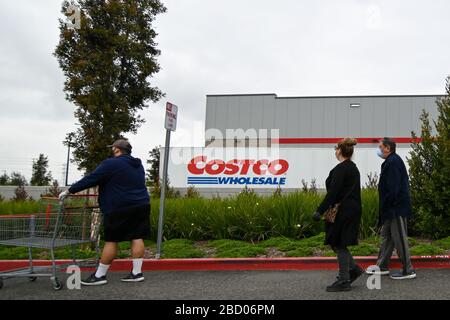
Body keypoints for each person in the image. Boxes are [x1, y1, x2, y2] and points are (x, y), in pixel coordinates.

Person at [59, 139, 151, 286]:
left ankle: (100, 275)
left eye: (113, 148)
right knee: (137, 237)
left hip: (119, 207)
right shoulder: (138, 165)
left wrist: (70, 191)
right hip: (142, 205)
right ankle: (136, 273)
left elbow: (91, 179)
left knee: (112, 240)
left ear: (116, 149)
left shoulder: (111, 163)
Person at [312, 138, 363, 292]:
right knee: (338, 242)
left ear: (340, 151)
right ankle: (352, 269)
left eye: (336, 149)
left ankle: (343, 279)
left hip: (343, 210)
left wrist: (319, 211)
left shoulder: (342, 169)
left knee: (339, 243)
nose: (335, 151)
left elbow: (333, 193)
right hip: (350, 209)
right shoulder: (352, 168)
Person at [365, 138, 416, 280]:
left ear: (387, 148)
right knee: (386, 237)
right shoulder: (391, 161)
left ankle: (408, 269)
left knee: (399, 238)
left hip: (395, 209)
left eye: (380, 146)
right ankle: (382, 266)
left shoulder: (393, 162)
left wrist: (388, 205)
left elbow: (393, 189)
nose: (378, 149)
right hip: (390, 209)